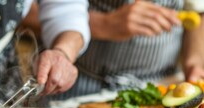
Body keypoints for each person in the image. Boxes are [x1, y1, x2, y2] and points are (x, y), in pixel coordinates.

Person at [51, 0, 204, 101]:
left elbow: (198, 10)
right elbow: (30, 11)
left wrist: (194, 62)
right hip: (80, 88)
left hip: (159, 88)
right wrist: (104, 23)